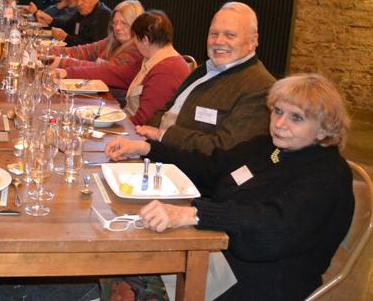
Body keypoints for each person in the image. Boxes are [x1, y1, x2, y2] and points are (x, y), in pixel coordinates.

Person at [105, 73, 354, 301]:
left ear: (324, 129)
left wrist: (194, 214)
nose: (279, 123)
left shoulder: (328, 175)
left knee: (129, 273)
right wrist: (149, 149)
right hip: (218, 254)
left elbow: (272, 228)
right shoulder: (269, 148)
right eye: (277, 111)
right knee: (122, 253)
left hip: (263, 283)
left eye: (296, 117)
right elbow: (211, 167)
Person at [135, 2, 275, 154]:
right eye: (214, 34)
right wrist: (143, 133)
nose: (219, 41)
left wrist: (163, 135)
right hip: (155, 150)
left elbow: (225, 148)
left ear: (252, 41)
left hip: (187, 171)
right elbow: (168, 107)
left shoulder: (260, 88)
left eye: (230, 35)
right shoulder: (204, 70)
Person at [53, 0, 144, 93]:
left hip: (117, 103)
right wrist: (47, 51)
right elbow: (83, 51)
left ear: (136, 25)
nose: (117, 27)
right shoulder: (113, 41)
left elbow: (103, 70)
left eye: (124, 23)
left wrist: (62, 62)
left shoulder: (136, 50)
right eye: (115, 22)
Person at [123, 10, 190, 125]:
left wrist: (111, 126)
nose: (134, 44)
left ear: (145, 40)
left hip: (137, 135)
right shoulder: (155, 60)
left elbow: (145, 121)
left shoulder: (167, 71)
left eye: (135, 40)